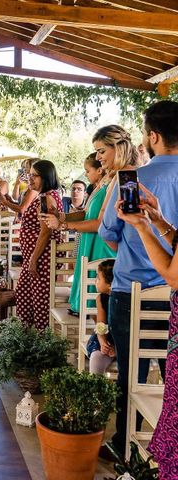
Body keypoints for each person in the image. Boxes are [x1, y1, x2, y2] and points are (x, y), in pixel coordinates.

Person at [99, 102, 178, 462]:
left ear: (153, 136)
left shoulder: (132, 180)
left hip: (133, 289)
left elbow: (109, 232)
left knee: (132, 372)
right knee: (169, 377)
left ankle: (126, 446)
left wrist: (138, 244)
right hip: (171, 293)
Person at [42, 152, 114, 315]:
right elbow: (85, 213)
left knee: (96, 287)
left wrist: (64, 224)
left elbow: (98, 222)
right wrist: (60, 216)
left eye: (88, 171)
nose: (86, 175)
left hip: (98, 242)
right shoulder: (97, 188)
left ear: (99, 170)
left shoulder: (109, 187)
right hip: (89, 239)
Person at [15, 159, 63, 330]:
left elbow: (45, 232)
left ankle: (41, 344)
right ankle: (26, 340)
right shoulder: (44, 196)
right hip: (35, 257)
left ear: (46, 177)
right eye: (30, 175)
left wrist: (33, 260)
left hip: (42, 259)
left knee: (39, 300)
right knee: (24, 295)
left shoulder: (47, 198)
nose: (31, 179)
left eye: (35, 176)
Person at [84, 259, 117, 375]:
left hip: (126, 341)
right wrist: (103, 342)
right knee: (96, 358)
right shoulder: (101, 298)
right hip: (105, 336)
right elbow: (101, 325)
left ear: (110, 284)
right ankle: (96, 389)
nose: (95, 281)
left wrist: (117, 348)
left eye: (98, 278)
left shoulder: (126, 300)